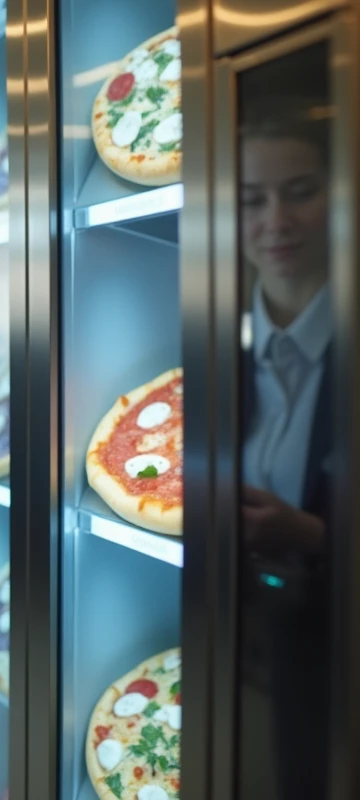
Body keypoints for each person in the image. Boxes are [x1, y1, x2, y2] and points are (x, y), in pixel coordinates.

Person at [237, 95, 332, 800]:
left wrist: (313, 535)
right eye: (252, 199)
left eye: (300, 192)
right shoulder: (211, 354)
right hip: (235, 674)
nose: (276, 221)